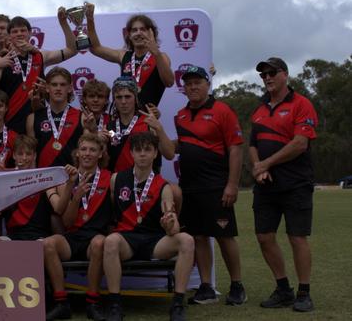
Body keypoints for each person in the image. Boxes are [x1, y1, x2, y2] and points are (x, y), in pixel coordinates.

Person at [148, 65, 247, 306]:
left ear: (207, 84)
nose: (192, 87)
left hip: (216, 186)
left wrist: (232, 185)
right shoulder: (181, 115)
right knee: (199, 237)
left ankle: (237, 285)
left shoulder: (223, 110)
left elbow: (235, 149)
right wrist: (158, 131)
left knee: (225, 237)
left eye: (197, 82)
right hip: (190, 186)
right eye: (188, 83)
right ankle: (206, 287)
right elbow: (174, 150)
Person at [250, 57, 318, 312]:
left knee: (296, 237)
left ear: (285, 75)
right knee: (264, 237)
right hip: (266, 186)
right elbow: (252, 144)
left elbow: (300, 143)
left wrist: (266, 164)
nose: (267, 77)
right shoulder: (259, 108)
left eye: (271, 72)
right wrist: (258, 169)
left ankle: (304, 292)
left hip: (296, 183)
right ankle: (283, 289)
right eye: (262, 74)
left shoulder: (302, 104)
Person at [104, 131, 195, 321]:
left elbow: (174, 228)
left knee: (186, 240)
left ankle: (177, 304)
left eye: (148, 150)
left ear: (155, 153)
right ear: (132, 153)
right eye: (138, 150)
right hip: (127, 240)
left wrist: (169, 224)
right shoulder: (116, 179)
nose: (143, 154)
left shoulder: (164, 186)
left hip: (155, 242)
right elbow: (112, 211)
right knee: (111, 241)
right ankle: (114, 304)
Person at [43, 133, 111, 321]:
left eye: (92, 150)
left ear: (100, 154)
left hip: (94, 239)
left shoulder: (110, 179)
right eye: (84, 149)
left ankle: (92, 302)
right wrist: (76, 196)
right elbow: (66, 222)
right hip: (72, 237)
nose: (87, 153)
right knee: (48, 244)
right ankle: (61, 303)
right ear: (77, 154)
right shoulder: (67, 179)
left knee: (99, 242)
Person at [0, 10, 78, 134]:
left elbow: (72, 50)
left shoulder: (40, 55)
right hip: (9, 122)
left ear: (30, 33)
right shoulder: (1, 59)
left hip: (38, 120)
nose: (19, 34)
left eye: (23, 30)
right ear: (9, 35)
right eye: (15, 31)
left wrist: (63, 23)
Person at [85, 3, 174, 107]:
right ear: (129, 35)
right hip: (121, 118)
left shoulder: (161, 57)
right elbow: (95, 48)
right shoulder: (123, 55)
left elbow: (169, 82)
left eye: (143, 29)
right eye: (134, 30)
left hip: (145, 119)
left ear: (152, 33)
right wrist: (90, 20)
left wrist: (156, 53)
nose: (138, 33)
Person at [0, 135, 66, 240]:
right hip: (12, 237)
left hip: (39, 237)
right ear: (14, 156)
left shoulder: (44, 178)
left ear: (35, 156)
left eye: (28, 154)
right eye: (20, 154)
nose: (24, 158)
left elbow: (58, 208)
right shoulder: (5, 179)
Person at [27, 67, 85, 168]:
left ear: (70, 88)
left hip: (71, 179)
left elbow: (86, 155)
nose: (58, 88)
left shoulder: (82, 117)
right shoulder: (33, 118)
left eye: (63, 85)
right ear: (47, 88)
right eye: (54, 84)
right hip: (43, 180)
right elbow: (31, 156)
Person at [105, 77, 151, 172]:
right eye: (119, 97)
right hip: (116, 181)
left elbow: (169, 154)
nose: (123, 102)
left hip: (142, 182)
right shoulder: (109, 127)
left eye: (127, 96)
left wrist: (159, 129)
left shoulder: (148, 123)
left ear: (135, 98)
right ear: (114, 100)